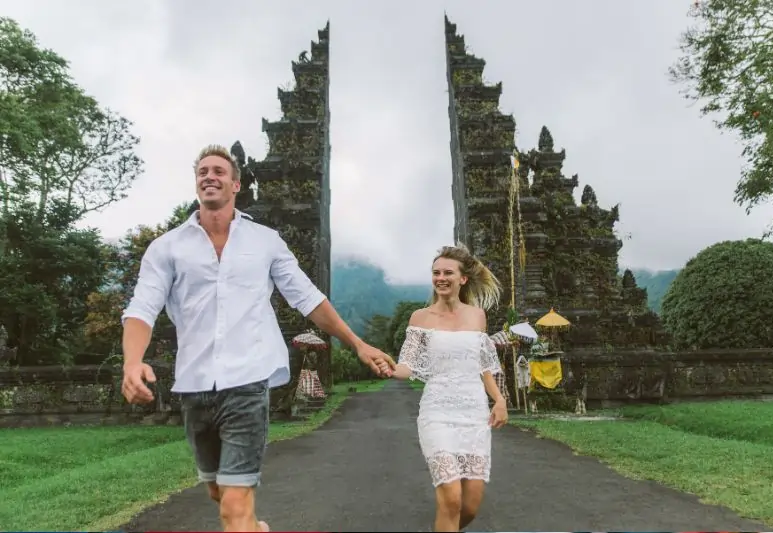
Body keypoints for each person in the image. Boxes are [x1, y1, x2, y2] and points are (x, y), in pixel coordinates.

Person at [120, 144, 395, 533]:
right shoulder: (167, 248)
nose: (209, 176)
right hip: (195, 387)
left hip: (248, 382)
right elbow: (141, 309)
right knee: (220, 493)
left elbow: (308, 298)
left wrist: (358, 343)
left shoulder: (265, 241)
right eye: (202, 171)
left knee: (234, 503)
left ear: (235, 184)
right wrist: (132, 362)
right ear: (196, 183)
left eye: (218, 171)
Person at [379, 244, 509, 532]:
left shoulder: (477, 316)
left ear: (462, 279)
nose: (440, 278)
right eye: (436, 272)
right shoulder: (420, 318)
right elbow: (407, 365)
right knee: (450, 498)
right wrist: (389, 368)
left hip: (474, 415)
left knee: (470, 507)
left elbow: (483, 365)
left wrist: (499, 400)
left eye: (447, 272)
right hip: (437, 414)